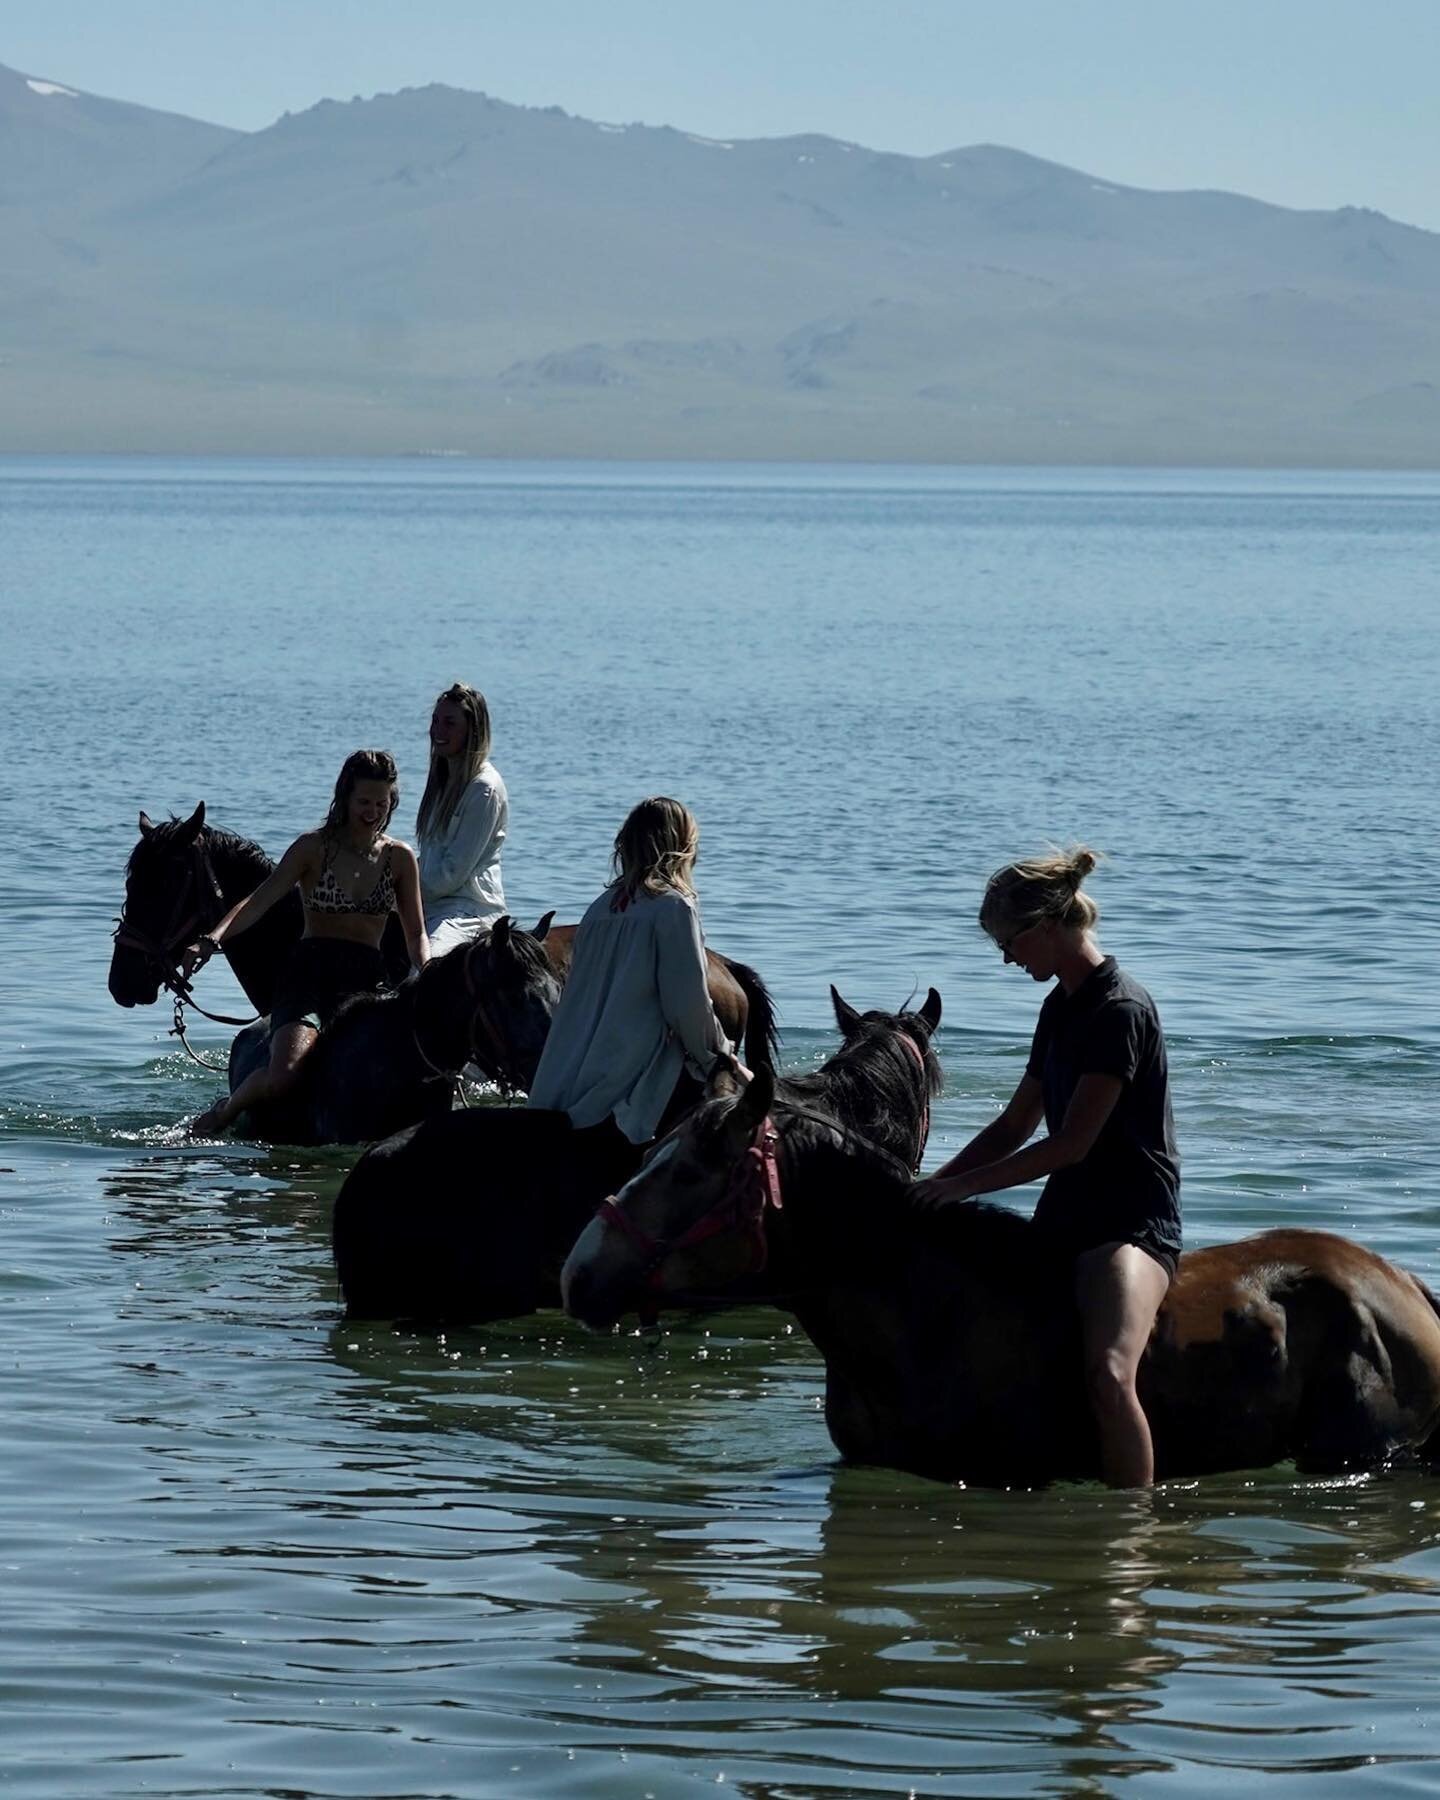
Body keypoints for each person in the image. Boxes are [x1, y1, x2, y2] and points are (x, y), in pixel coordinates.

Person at [912, 847, 1181, 1488]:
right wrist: (927, 1188)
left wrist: (961, 1189)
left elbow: (1071, 1145)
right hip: (1064, 1218)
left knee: (1110, 1374)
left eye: (1010, 942)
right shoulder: (1060, 1005)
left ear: (1048, 927)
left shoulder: (1120, 1011)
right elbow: (1014, 1126)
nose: (1007, 957)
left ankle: (1129, 1539)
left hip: (1130, 1224)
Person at [182, 749, 430, 1136]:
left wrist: (428, 969)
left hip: (367, 983)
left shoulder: (400, 858)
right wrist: (212, 940)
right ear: (344, 797)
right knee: (286, 1076)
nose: (373, 811)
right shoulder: (312, 848)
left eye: (381, 802)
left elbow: (416, 932)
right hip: (309, 979)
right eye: (364, 801)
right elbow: (257, 902)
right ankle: (226, 1110)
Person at [527, 796, 733, 1148]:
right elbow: (686, 1006)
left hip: (565, 1073)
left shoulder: (599, 909)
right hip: (625, 1075)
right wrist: (718, 1054)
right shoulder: (673, 908)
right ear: (680, 846)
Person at [416, 682, 508, 955]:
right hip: (431, 904)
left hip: (466, 910)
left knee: (425, 970)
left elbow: (451, 875)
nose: (437, 731)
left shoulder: (483, 789)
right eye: (435, 721)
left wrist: (404, 890)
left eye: (449, 723)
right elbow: (431, 859)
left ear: (472, 730)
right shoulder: (442, 782)